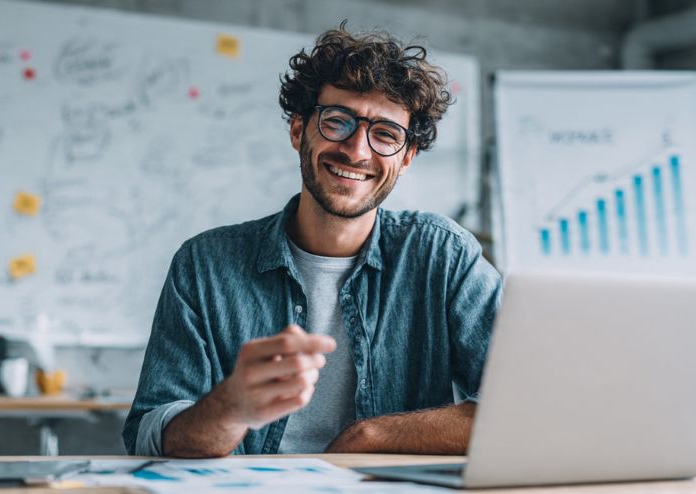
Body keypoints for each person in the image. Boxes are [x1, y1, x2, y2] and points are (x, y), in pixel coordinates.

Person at [123, 23, 502, 458]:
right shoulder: (205, 264)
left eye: (385, 134)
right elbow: (149, 436)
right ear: (299, 131)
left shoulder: (444, 256)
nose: (358, 151)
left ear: (406, 157)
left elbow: (521, 405)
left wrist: (370, 437)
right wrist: (232, 407)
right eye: (338, 122)